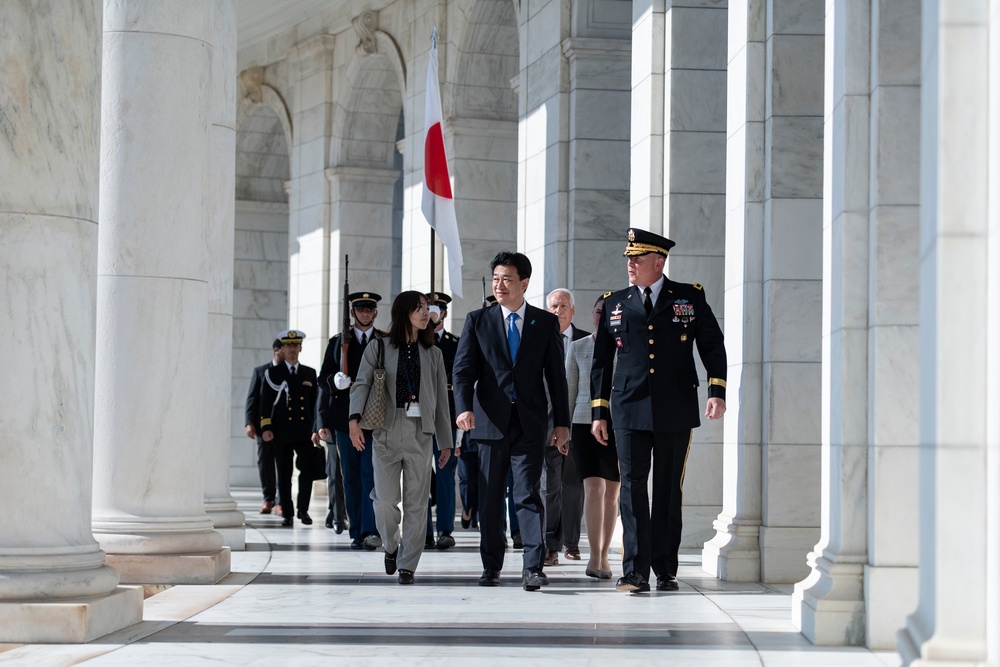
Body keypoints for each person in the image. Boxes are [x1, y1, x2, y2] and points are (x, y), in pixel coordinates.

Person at [591, 228, 727, 593]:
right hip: (628, 408)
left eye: (637, 259)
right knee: (633, 489)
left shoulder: (688, 297)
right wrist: (598, 412)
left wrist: (717, 390)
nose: (630, 265)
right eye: (629, 259)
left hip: (675, 408)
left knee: (668, 489)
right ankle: (635, 571)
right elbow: (602, 362)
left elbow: (712, 344)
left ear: (659, 261)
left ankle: (665, 568)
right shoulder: (614, 302)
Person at [453, 251, 570, 592]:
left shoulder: (544, 322)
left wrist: (561, 423)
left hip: (530, 424)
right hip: (488, 424)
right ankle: (491, 566)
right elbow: (462, 371)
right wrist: (463, 408)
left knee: (528, 495)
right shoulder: (478, 320)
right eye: (496, 279)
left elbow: (556, 378)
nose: (499, 285)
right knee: (489, 498)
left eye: (507, 279)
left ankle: (533, 567)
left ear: (524, 283)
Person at [348, 291, 453, 585]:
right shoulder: (378, 347)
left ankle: (408, 564)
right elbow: (361, 383)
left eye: (426, 309)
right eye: (419, 308)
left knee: (417, 503)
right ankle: (391, 545)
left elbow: (442, 401)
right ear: (404, 312)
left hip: (422, 431)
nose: (425, 313)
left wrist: (446, 441)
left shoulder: (434, 354)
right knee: (384, 501)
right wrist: (354, 420)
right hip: (386, 429)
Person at [317, 292, 383, 549]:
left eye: (369, 310)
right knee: (351, 476)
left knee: (371, 474)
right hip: (344, 417)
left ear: (375, 313)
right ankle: (356, 530)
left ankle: (370, 529)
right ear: (353, 313)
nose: (365, 314)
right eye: (360, 310)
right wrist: (335, 381)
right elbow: (324, 377)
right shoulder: (337, 342)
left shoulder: (382, 340)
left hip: (374, 416)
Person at [566, 294, 620, 579]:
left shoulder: (626, 346)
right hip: (584, 423)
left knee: (612, 493)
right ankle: (593, 555)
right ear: (592, 313)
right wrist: (562, 428)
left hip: (619, 425)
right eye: (599, 311)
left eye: (608, 312)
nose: (602, 316)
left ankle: (605, 553)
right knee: (593, 489)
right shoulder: (579, 347)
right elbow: (570, 390)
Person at [542, 288, 589, 566]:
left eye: (562, 306)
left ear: (572, 311)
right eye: (552, 306)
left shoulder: (586, 340)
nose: (557, 311)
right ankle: (550, 545)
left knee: (573, 485)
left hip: (578, 423)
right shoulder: (538, 339)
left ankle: (571, 543)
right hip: (547, 424)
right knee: (548, 486)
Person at [259, 330, 325, 527]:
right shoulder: (273, 373)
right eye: (288, 346)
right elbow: (265, 403)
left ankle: (303, 510)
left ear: (300, 348)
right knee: (284, 473)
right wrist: (266, 427)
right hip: (281, 432)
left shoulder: (309, 373)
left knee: (307, 472)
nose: (292, 350)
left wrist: (316, 428)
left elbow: (315, 404)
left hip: (304, 432)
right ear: (282, 349)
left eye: (295, 346)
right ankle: (287, 512)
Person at [425, 292, 461, 550]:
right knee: (419, 476)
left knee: (446, 475)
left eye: (437, 309)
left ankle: (445, 530)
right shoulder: (416, 342)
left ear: (445, 313)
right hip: (420, 416)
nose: (433, 314)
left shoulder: (456, 343)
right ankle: (423, 530)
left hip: (448, 417)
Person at [246, 339, 284, 515]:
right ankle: (268, 498)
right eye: (280, 352)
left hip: (284, 426)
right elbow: (252, 399)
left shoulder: (289, 372)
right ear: (274, 351)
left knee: (283, 463)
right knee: (265, 463)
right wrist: (249, 422)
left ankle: (281, 501)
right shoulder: (260, 371)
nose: (283, 355)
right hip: (263, 425)